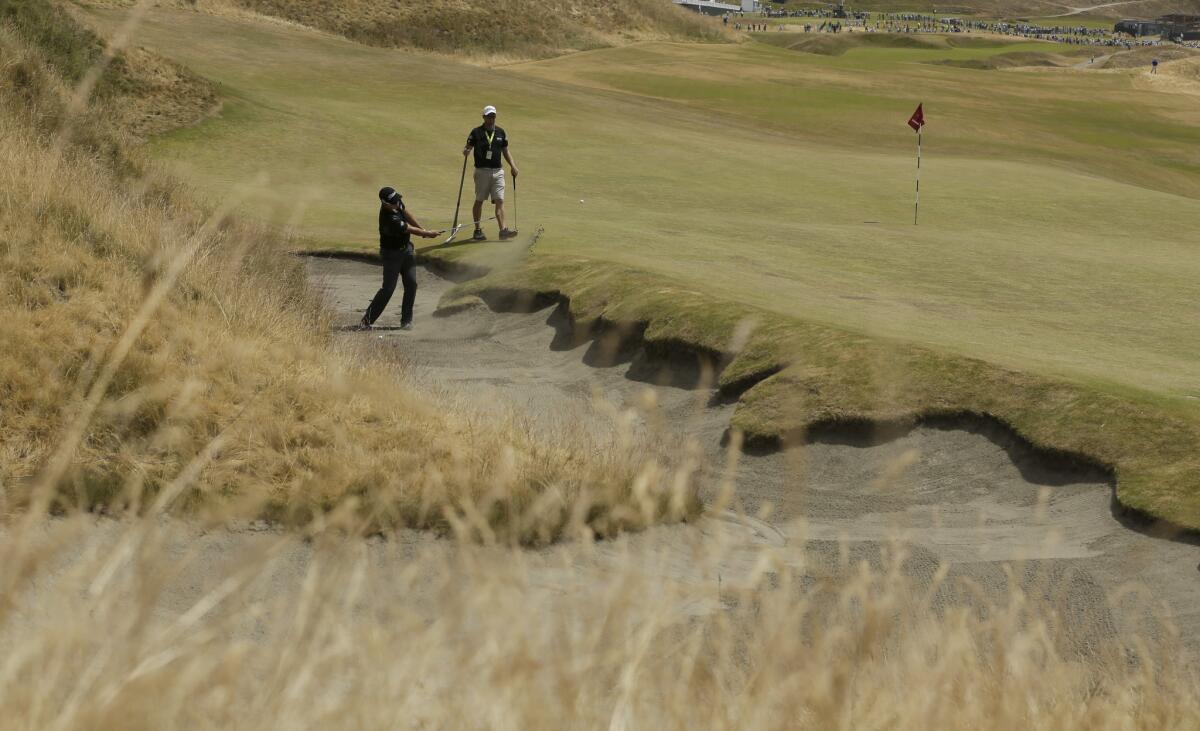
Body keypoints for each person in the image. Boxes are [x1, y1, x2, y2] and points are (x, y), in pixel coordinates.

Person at [359, 187, 443, 331]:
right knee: (388, 289)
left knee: (411, 284)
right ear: (384, 203)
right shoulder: (389, 218)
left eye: (397, 200)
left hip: (407, 250)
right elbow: (408, 229)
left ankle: (406, 321)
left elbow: (406, 213)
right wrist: (427, 233)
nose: (397, 203)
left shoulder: (396, 202)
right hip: (391, 255)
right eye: (393, 202)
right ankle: (366, 322)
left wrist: (423, 230)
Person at [463, 105, 519, 241]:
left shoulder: (500, 132)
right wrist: (466, 151)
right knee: (480, 200)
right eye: (489, 116)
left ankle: (503, 230)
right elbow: (468, 147)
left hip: (498, 171)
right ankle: (477, 230)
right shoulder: (476, 132)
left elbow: (505, 150)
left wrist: (513, 165)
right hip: (482, 171)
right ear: (484, 117)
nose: (491, 118)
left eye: (493, 116)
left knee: (499, 200)